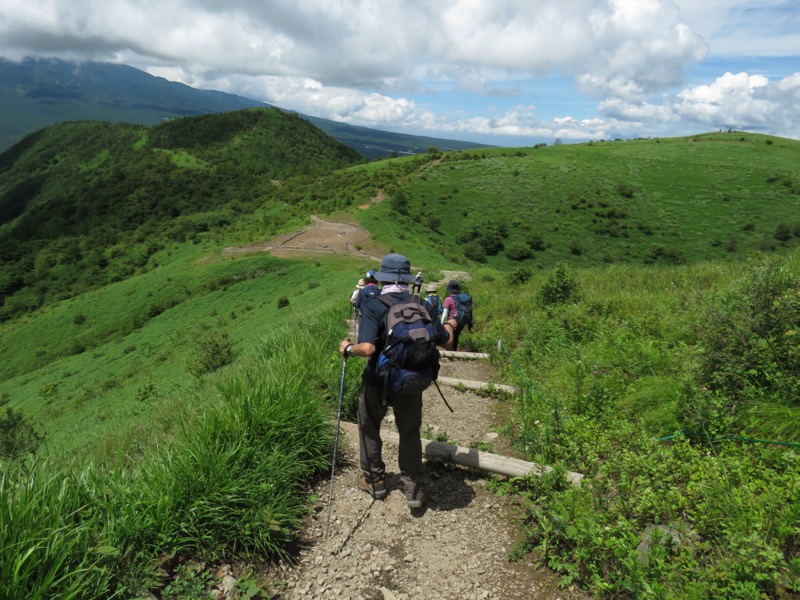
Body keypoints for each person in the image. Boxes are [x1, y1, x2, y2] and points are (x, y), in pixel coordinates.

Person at [339, 254, 457, 509]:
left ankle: (374, 481)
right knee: (410, 433)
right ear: (405, 278)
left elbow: (368, 349)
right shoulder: (422, 303)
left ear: (384, 279)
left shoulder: (374, 304)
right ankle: (413, 490)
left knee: (369, 426)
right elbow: (445, 341)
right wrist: (450, 324)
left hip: (377, 380)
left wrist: (348, 348)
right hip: (411, 380)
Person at [443, 279, 467, 351]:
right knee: (456, 336)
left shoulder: (448, 299)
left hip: (451, 321)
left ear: (449, 289)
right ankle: (454, 351)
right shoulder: (462, 298)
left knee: (450, 337)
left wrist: (441, 323)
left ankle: (450, 355)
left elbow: (444, 314)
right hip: (461, 320)